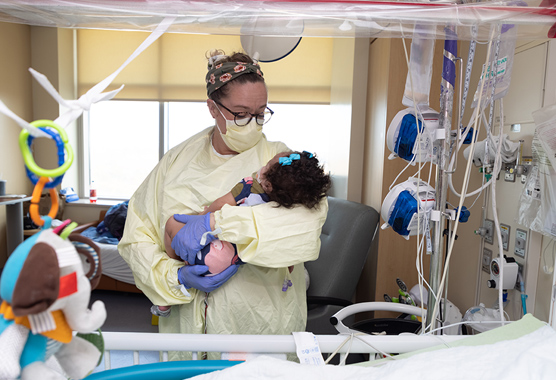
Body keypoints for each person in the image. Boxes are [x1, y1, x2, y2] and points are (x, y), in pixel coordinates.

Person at [118, 49, 329, 360]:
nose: (253, 124)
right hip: (187, 324)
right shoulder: (176, 162)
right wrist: (172, 277)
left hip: (259, 322)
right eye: (241, 114)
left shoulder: (279, 161)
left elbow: (303, 232)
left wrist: (215, 224)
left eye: (260, 113)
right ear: (212, 107)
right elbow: (136, 236)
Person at [152, 150, 331, 317]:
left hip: (206, 254)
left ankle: (176, 276)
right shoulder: (286, 209)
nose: (262, 166)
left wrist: (202, 217)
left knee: (172, 224)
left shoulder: (248, 187)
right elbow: (282, 251)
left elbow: (219, 205)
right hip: (233, 261)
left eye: (267, 165)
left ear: (267, 184)